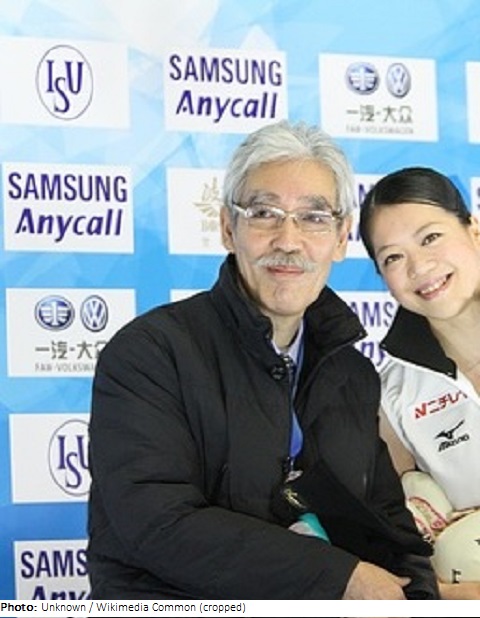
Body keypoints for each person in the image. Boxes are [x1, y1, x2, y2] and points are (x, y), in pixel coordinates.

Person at [87, 121, 439, 600]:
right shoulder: (151, 353)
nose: (288, 240)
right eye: (264, 213)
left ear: (341, 238)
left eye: (314, 217)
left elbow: (390, 530)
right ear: (227, 228)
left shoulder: (351, 374)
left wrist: (418, 600)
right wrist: (341, 578)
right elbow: (157, 523)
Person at [359, 166, 480, 599]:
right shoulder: (394, 395)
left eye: (430, 238)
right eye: (393, 257)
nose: (420, 267)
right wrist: (447, 594)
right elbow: (400, 545)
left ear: (474, 230)